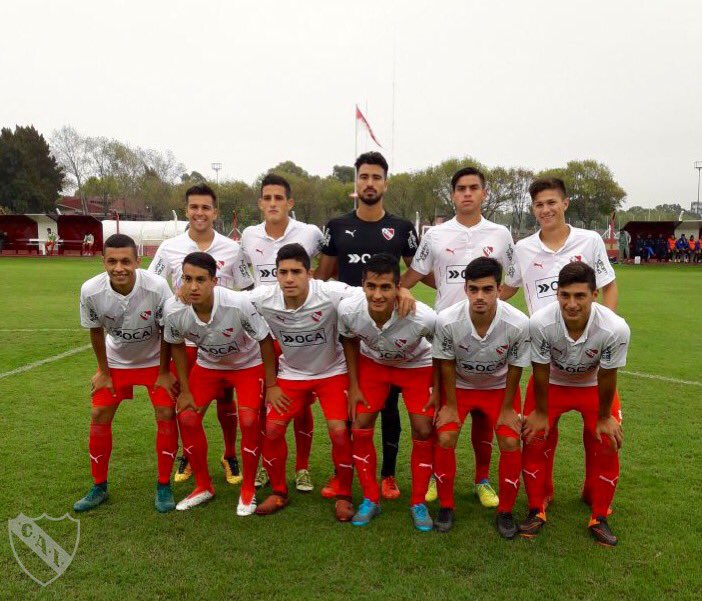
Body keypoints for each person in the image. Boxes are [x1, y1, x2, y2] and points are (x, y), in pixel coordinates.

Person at [501, 177, 618, 511]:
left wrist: (603, 328)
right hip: (546, 359)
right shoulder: (522, 248)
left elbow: (608, 285)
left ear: (565, 203)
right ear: (533, 209)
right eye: (539, 204)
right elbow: (508, 287)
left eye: (552, 202)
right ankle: (544, 490)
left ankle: (593, 490)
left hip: (589, 359)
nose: (546, 209)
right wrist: (468, 295)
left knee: (602, 433)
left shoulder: (590, 240)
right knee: (538, 434)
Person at [401, 166, 515, 508]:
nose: (467, 193)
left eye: (473, 188)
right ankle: (438, 476)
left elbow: (513, 280)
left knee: (483, 417)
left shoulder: (500, 234)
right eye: (460, 188)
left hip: (488, 338)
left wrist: (489, 305)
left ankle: (482, 479)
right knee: (442, 410)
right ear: (453, 195)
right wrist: (398, 290)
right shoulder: (435, 235)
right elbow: (417, 273)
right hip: (445, 340)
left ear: (484, 193)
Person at [316, 151, 420, 501]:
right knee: (351, 406)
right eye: (364, 177)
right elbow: (323, 274)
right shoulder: (336, 226)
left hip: (388, 331)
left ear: (385, 183)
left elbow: (415, 270)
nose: (370, 183)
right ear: (355, 183)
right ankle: (341, 472)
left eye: (376, 177)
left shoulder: (402, 228)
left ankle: (388, 475)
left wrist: (401, 287)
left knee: (389, 405)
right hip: (349, 329)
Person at [247, 244, 370, 520]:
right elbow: (228, 300)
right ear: (276, 275)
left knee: (339, 432)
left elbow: (372, 292)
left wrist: (402, 290)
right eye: (283, 272)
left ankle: (344, 495)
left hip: (332, 372)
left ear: (310, 274)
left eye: (296, 272)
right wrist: (271, 384)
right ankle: (278, 492)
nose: (289, 278)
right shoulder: (264, 299)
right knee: (273, 430)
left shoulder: (330, 294)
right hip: (290, 375)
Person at [149, 183, 254, 486]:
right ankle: (189, 454)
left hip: (224, 342)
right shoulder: (169, 248)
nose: (199, 213)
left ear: (215, 211)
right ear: (186, 210)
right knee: (187, 402)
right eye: (194, 207)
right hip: (185, 340)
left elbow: (248, 289)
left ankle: (229, 454)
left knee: (225, 400)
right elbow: (154, 286)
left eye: (205, 207)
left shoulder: (232, 249)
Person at [519, 262, 630, 546]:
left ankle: (599, 515)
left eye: (580, 296)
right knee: (534, 437)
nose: (571, 303)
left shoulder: (615, 328)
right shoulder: (541, 323)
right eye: (565, 295)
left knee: (606, 439)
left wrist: (605, 417)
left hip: (593, 386)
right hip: (552, 385)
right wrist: (541, 413)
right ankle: (536, 508)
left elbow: (607, 375)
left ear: (594, 295)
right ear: (557, 294)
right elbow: (540, 369)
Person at [162, 252, 276, 514]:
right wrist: (186, 389)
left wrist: (271, 385)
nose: (193, 286)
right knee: (187, 417)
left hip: (247, 365)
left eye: (201, 279)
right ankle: (203, 486)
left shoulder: (239, 303)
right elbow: (176, 345)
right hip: (208, 366)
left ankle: (248, 489)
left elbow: (265, 340)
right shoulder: (173, 308)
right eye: (187, 279)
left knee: (249, 421)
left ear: (215, 281)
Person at [73, 234, 178, 513]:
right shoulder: (90, 290)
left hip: (155, 361)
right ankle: (99, 486)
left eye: (125, 261)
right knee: (98, 414)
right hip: (116, 362)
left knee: (166, 413)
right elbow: (95, 331)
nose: (119, 268)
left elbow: (168, 329)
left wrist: (166, 371)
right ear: (103, 261)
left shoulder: (157, 286)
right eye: (112, 261)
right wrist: (104, 372)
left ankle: (164, 485)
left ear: (137, 261)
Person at [338, 253, 437, 531]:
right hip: (374, 365)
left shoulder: (423, 316)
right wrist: (354, 385)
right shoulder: (348, 309)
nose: (378, 294)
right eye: (372, 286)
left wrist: (438, 389)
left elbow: (443, 351)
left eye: (386, 287)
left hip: (416, 365)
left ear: (398, 288)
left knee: (423, 428)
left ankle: (418, 502)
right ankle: (370, 498)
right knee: (361, 422)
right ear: (363, 285)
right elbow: (349, 341)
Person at [432, 257, 530, 535]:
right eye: (473, 289)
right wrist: (450, 405)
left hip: (498, 389)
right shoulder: (448, 320)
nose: (479, 296)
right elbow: (446, 363)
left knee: (511, 441)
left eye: (487, 289)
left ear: (499, 290)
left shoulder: (518, 323)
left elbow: (515, 367)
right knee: (445, 435)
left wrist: (509, 408)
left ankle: (506, 512)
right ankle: (446, 506)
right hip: (460, 388)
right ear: (465, 289)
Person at [240, 173, 324, 493]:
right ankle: (266, 464)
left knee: (301, 404)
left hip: (301, 331)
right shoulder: (249, 235)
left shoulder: (310, 233)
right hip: (262, 333)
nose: (273, 203)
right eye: (267, 198)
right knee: (264, 402)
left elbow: (328, 266)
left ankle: (302, 468)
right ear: (260, 203)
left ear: (290, 203)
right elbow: (239, 275)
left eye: (279, 198)